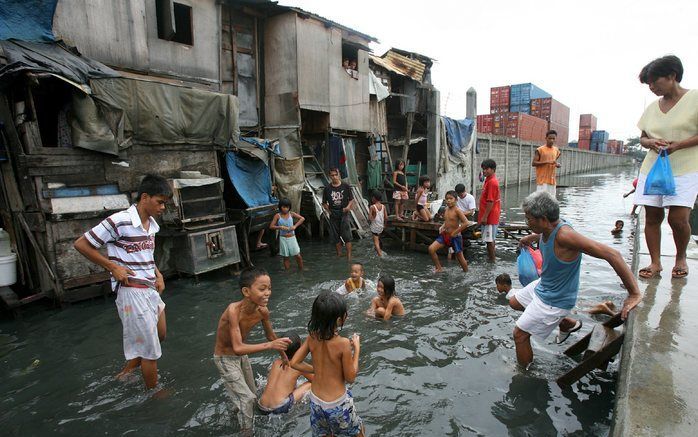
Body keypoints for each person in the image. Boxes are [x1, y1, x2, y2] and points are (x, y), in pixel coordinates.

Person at [512, 192, 641, 368]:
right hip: (545, 285)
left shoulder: (565, 236)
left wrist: (634, 293)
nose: (527, 223)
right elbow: (547, 233)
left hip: (555, 298)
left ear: (542, 219)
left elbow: (613, 254)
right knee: (514, 302)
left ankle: (523, 373)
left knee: (520, 335)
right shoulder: (551, 225)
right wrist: (532, 237)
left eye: (529, 219)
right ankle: (567, 323)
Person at [73, 174, 171, 389]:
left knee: (160, 334)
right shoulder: (119, 221)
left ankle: (126, 372)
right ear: (145, 197)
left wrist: (158, 273)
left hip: (149, 288)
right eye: (160, 202)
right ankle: (154, 394)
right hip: (131, 291)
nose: (163, 207)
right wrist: (112, 267)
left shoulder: (152, 225)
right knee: (150, 351)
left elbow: (146, 253)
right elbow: (82, 244)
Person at [634, 55, 698, 279]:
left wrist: (679, 145)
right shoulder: (652, 107)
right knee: (652, 216)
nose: (651, 87)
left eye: (654, 81)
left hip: (685, 167)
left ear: (672, 76)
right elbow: (643, 137)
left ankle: (680, 257)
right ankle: (655, 262)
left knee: (678, 218)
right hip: (653, 168)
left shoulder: (695, 98)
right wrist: (651, 143)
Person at [213, 267, 292, 436]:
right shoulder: (233, 310)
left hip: (242, 357)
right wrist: (271, 346)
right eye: (262, 289)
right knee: (247, 399)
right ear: (246, 291)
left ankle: (235, 414)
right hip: (225, 358)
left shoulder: (262, 311)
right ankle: (246, 432)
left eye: (269, 288)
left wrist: (284, 357)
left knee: (254, 397)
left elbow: (271, 335)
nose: (267, 293)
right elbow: (238, 347)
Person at [290, 292, 364, 437]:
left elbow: (294, 362)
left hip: (316, 401)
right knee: (358, 432)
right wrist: (357, 349)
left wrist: (316, 369)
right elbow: (351, 377)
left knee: (325, 433)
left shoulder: (312, 336)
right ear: (339, 320)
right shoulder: (343, 344)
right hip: (337, 404)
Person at [258, 333, 313, 415]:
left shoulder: (276, 362)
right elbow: (315, 379)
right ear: (300, 349)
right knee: (311, 383)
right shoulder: (299, 366)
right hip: (279, 407)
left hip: (261, 406)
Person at [428, 191, 470, 272]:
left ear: (456, 200)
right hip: (445, 235)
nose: (449, 201)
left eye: (451, 199)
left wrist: (455, 232)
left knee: (460, 256)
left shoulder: (457, 210)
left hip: (455, 237)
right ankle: (439, 268)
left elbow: (466, 223)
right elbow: (447, 220)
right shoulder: (446, 209)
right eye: (447, 199)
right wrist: (442, 226)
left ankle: (466, 272)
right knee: (431, 249)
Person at [323, 168, 354, 260]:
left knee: (347, 236)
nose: (334, 177)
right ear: (330, 176)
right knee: (335, 236)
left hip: (344, 212)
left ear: (339, 174)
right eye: (332, 175)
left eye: (336, 175)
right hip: (333, 213)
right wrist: (330, 211)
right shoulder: (327, 188)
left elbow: (351, 199)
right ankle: (339, 255)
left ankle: (349, 256)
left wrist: (348, 207)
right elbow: (324, 203)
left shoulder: (345, 186)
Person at [269, 198, 305, 270]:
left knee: (298, 255)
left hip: (292, 238)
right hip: (283, 238)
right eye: (284, 207)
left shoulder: (291, 214)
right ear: (280, 207)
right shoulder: (277, 216)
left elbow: (302, 218)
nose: (285, 209)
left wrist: (295, 226)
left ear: (289, 207)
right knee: (286, 257)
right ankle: (287, 272)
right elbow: (271, 226)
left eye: (287, 207)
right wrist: (280, 227)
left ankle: (302, 269)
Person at [478, 159, 501, 262]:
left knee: (489, 240)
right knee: (490, 239)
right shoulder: (488, 180)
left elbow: (490, 201)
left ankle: (492, 261)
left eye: (487, 169)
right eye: (483, 169)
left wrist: (485, 217)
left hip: (490, 216)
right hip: (489, 215)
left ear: (493, 169)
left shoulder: (492, 182)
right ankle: (492, 259)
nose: (484, 171)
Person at [532, 130, 562, 197]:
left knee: (551, 201)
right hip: (542, 181)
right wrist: (547, 162)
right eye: (550, 138)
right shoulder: (540, 150)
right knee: (541, 200)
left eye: (553, 139)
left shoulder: (556, 150)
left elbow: (554, 161)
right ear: (546, 138)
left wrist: (557, 165)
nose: (551, 140)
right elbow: (533, 163)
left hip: (552, 180)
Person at [369, 190, 388, 256]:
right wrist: (385, 225)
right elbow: (386, 218)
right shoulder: (383, 206)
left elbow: (370, 218)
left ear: (374, 198)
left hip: (375, 227)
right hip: (381, 226)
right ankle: (378, 250)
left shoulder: (372, 207)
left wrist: (373, 217)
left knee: (376, 242)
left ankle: (380, 255)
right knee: (378, 238)